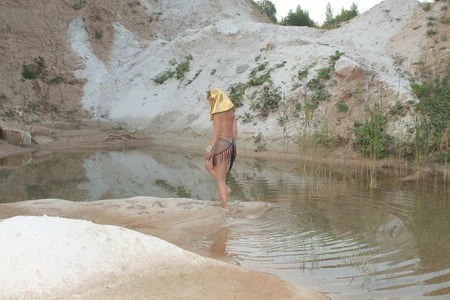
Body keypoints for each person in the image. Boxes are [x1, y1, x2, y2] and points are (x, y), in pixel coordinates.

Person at [204, 88, 237, 208]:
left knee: (220, 179)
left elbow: (216, 132)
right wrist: (231, 145)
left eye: (211, 99)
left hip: (221, 144)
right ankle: (226, 189)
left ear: (216, 99)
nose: (209, 102)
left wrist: (209, 148)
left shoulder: (218, 113)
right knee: (208, 165)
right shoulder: (231, 112)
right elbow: (235, 132)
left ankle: (225, 207)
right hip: (229, 144)